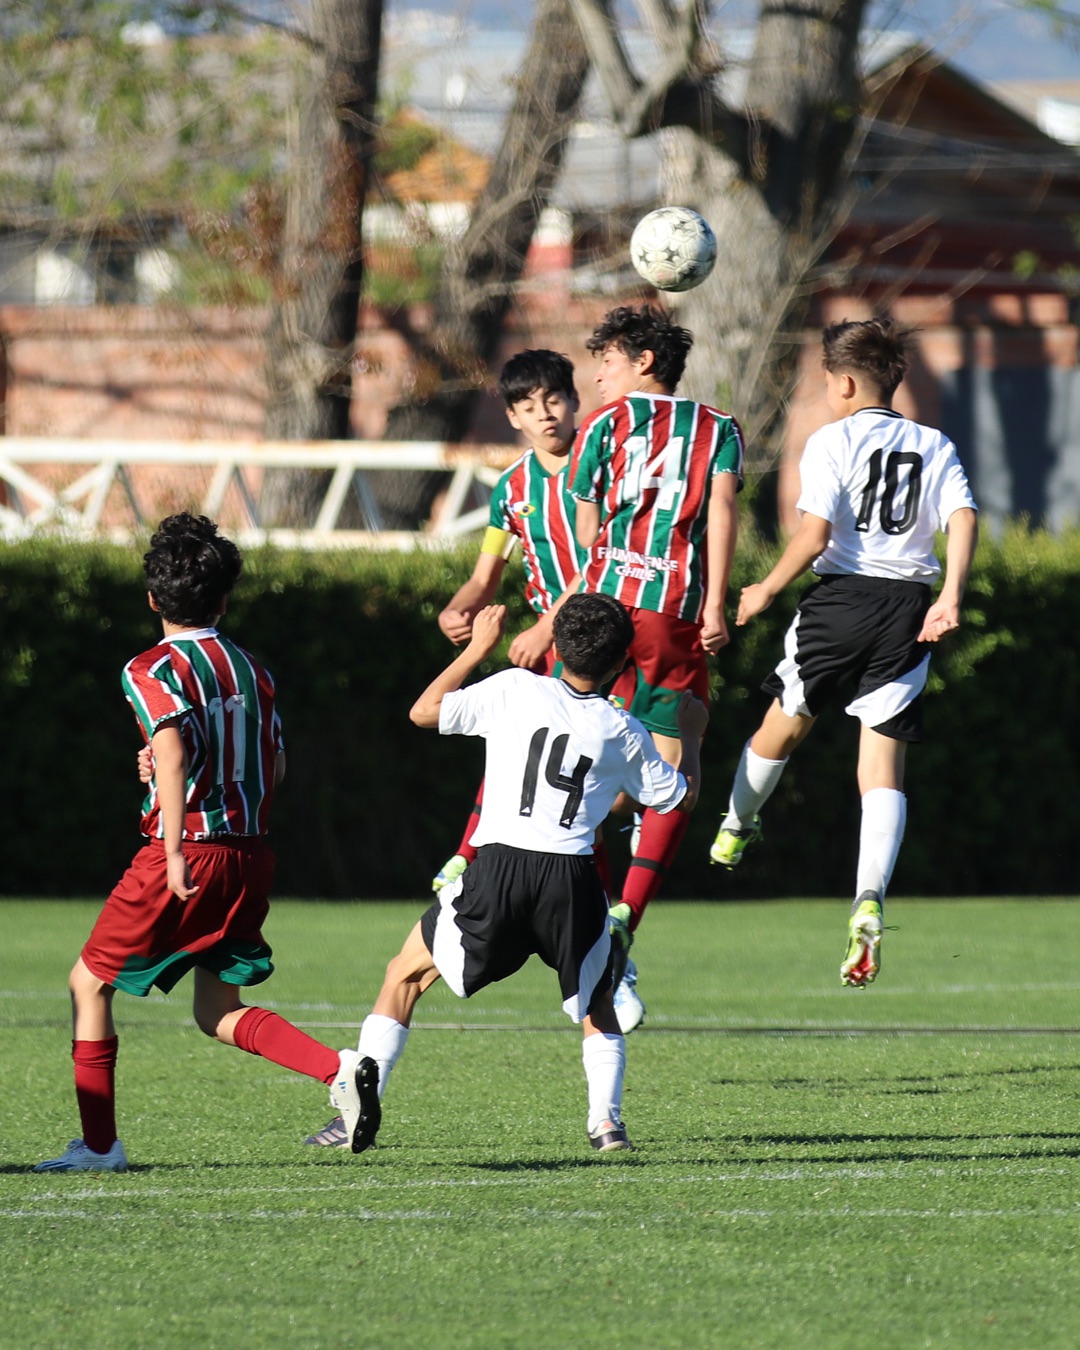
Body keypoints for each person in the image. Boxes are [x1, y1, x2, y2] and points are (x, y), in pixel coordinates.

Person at [308, 592, 707, 1157]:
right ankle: (607, 1124)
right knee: (598, 1000)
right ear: (622, 663)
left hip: (499, 869)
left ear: (556, 647)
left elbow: (423, 711)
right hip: (572, 878)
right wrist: (690, 734)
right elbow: (680, 799)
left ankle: (354, 1109)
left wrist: (477, 649)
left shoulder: (514, 688)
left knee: (405, 975)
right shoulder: (621, 728)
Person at [36, 514, 371, 1172]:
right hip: (249, 854)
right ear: (224, 599)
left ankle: (99, 1147)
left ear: (152, 599)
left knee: (89, 983)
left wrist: (170, 846)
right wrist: (175, 766)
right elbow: (274, 768)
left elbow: (170, 752)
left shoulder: (150, 668)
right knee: (217, 1008)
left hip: (187, 850)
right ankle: (339, 1070)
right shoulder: (252, 670)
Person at [708, 316, 978, 987]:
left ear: (847, 383)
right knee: (881, 766)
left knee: (783, 724)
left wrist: (766, 588)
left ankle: (737, 824)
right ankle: (869, 898)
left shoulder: (832, 440)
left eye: (827, 380)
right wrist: (950, 596)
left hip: (842, 602)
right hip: (907, 610)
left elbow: (814, 534)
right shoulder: (934, 443)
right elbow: (963, 516)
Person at [569, 303, 743, 996]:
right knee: (674, 779)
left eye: (608, 360)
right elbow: (722, 511)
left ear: (644, 361)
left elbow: (587, 529)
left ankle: (595, 912)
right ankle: (626, 918)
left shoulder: (601, 426)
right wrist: (715, 601)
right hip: (672, 613)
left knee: (585, 770)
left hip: (603, 613)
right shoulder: (718, 427)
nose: (598, 375)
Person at [430, 349, 587, 896]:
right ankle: (469, 852)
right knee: (520, 749)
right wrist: (457, 608)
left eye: (553, 399)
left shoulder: (599, 465)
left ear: (574, 400)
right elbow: (485, 576)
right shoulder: (513, 489)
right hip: (555, 641)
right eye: (529, 405)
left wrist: (546, 627)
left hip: (605, 633)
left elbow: (606, 557)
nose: (544, 414)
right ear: (513, 417)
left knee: (595, 774)